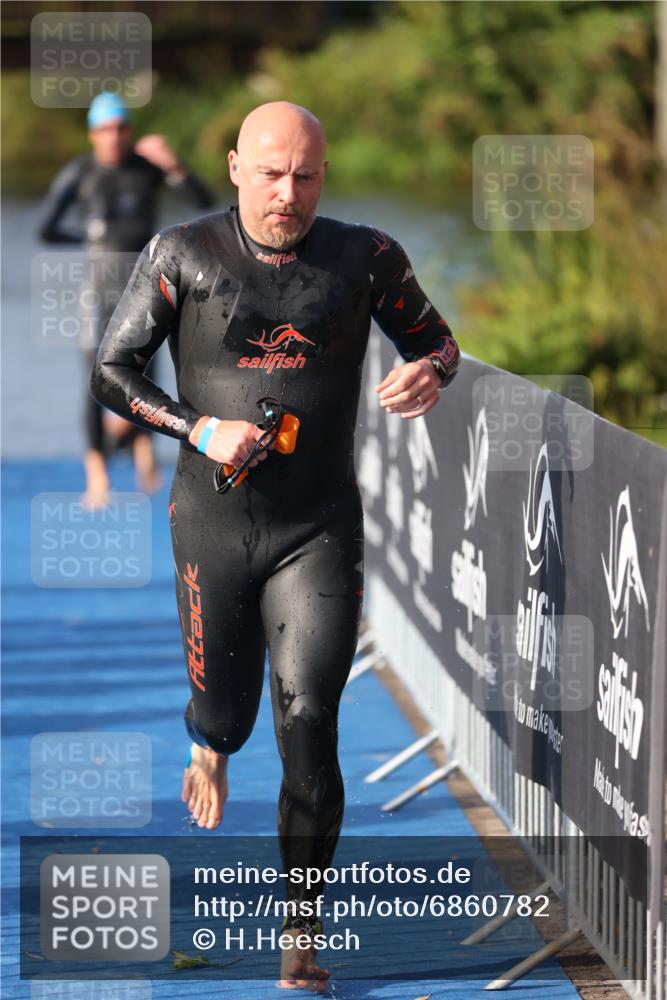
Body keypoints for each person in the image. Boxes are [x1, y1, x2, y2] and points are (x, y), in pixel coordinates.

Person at [91, 101, 460, 990]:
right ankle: (208, 741)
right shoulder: (181, 253)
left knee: (310, 723)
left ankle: (302, 928)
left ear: (322, 176)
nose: (286, 193)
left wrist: (430, 372)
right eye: (268, 173)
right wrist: (195, 428)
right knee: (228, 713)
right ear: (233, 167)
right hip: (210, 523)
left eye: (303, 176)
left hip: (317, 526)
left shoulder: (365, 256)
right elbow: (112, 372)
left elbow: (437, 342)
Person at [38, 91, 214, 509]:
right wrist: (93, 241)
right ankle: (97, 476)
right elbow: (46, 229)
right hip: (98, 290)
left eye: (120, 128)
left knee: (144, 378)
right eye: (104, 129)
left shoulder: (146, 168)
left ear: (129, 131)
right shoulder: (80, 172)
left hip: (143, 288)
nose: (113, 136)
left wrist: (173, 164)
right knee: (96, 380)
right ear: (92, 134)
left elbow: (204, 203)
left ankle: (141, 454)